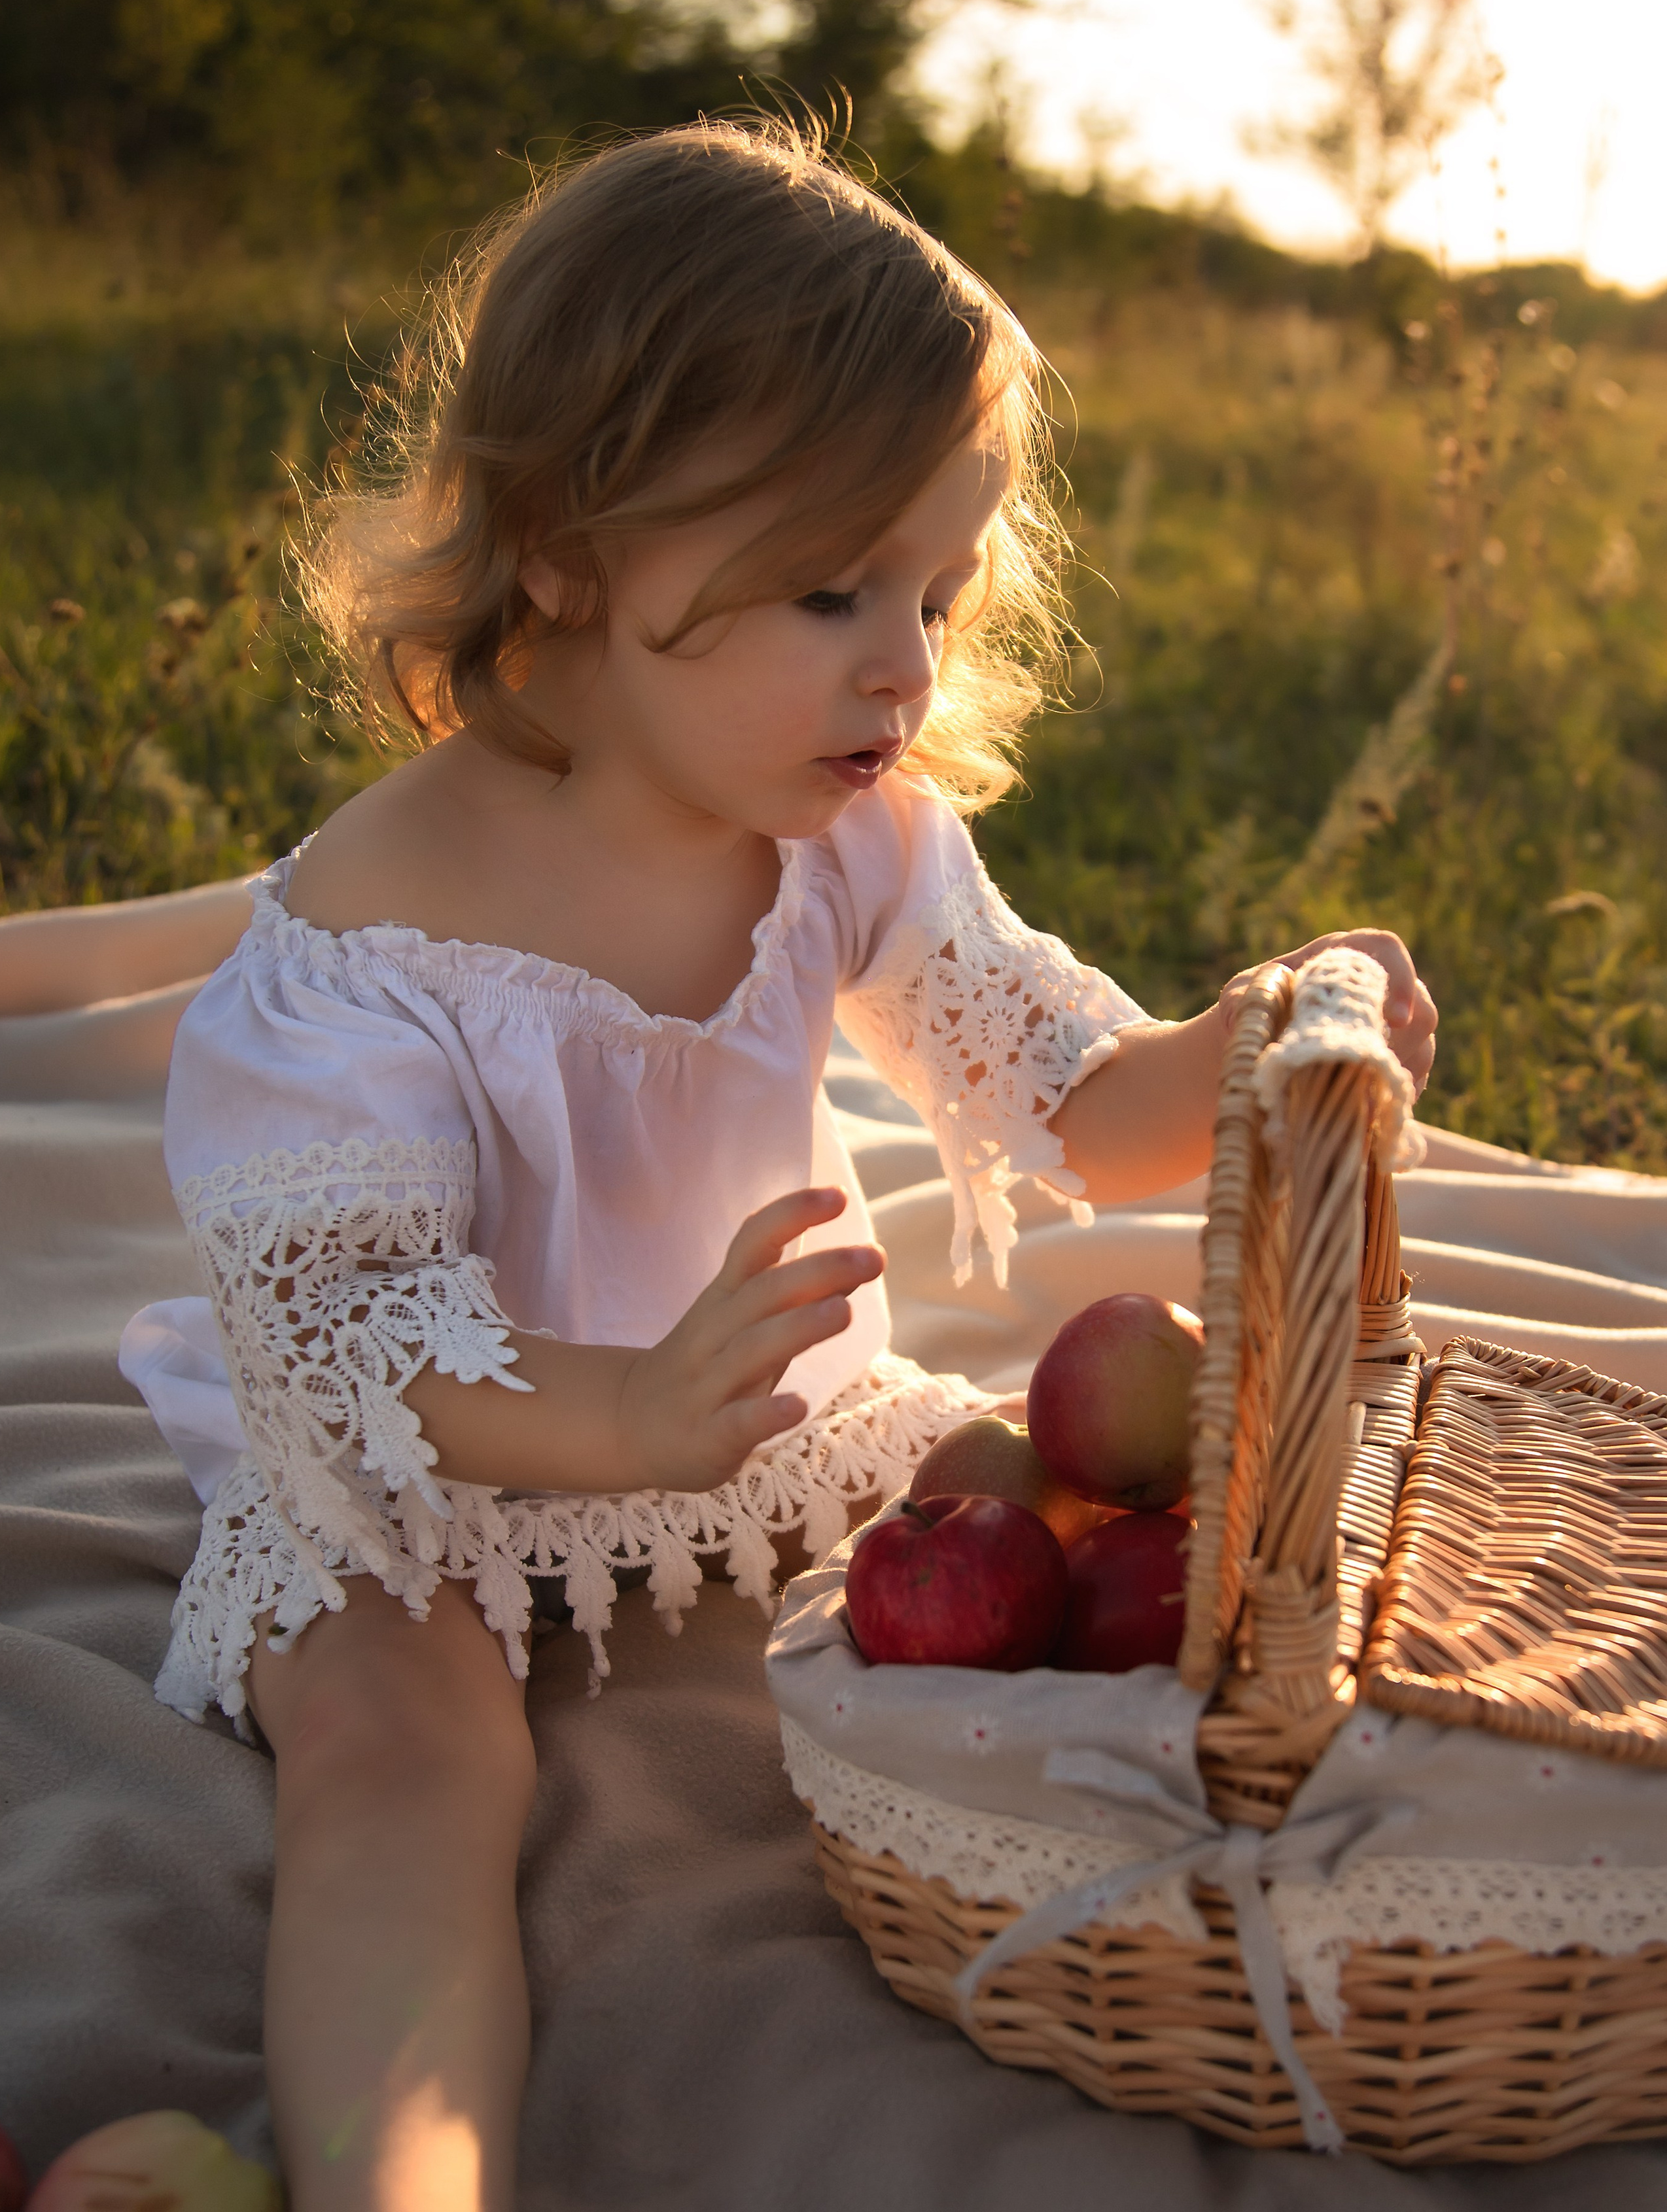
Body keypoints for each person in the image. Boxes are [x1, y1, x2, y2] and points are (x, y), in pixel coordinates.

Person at [129, 119, 1436, 2212]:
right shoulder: (373, 944)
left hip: (758, 1413)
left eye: (938, 584)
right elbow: (353, 1334)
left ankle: (1323, 1897)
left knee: (1089, 1531)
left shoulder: (853, 831)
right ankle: (408, 2178)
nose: (904, 662)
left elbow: (1074, 1101)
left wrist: (1257, 1034)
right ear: (566, 552)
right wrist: (623, 1409)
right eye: (833, 587)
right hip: (428, 1461)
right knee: (406, 1758)